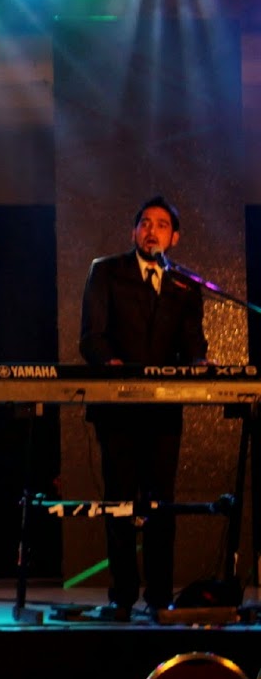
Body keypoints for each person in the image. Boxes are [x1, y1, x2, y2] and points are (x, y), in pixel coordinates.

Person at [79, 195, 207, 619]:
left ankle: (159, 596)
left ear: (174, 238)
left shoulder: (184, 284)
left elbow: (193, 341)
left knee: (160, 503)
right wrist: (111, 364)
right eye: (145, 223)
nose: (152, 231)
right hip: (118, 408)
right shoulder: (106, 271)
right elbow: (91, 336)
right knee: (120, 501)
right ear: (134, 231)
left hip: (164, 410)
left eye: (162, 225)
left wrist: (199, 363)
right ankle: (122, 596)